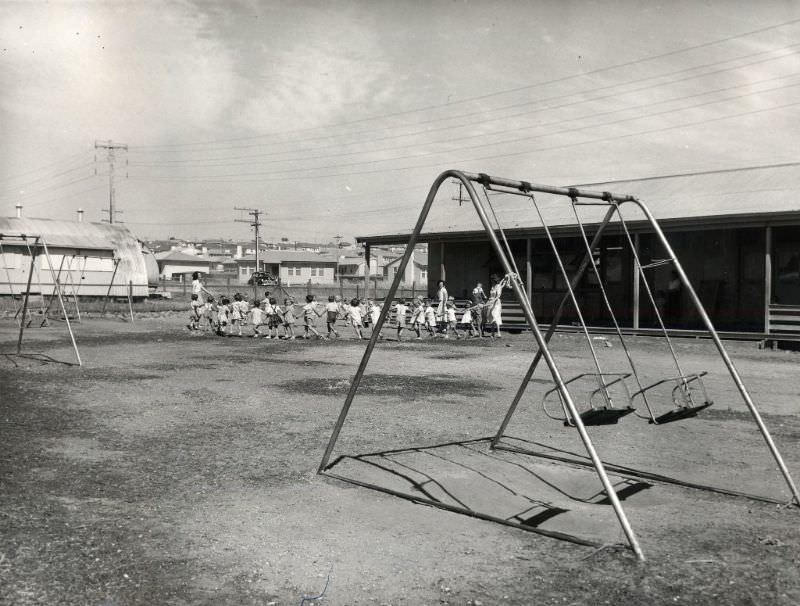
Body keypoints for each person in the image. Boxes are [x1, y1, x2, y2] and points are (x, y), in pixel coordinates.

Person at [485, 273, 510, 338]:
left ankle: (498, 332)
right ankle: (492, 333)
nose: (491, 281)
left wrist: (505, 278)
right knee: (491, 317)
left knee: (495, 316)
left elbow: (498, 295)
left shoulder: (498, 286)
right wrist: (488, 302)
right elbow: (491, 295)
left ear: (494, 280)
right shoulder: (493, 286)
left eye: (492, 279)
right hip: (490, 302)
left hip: (496, 303)